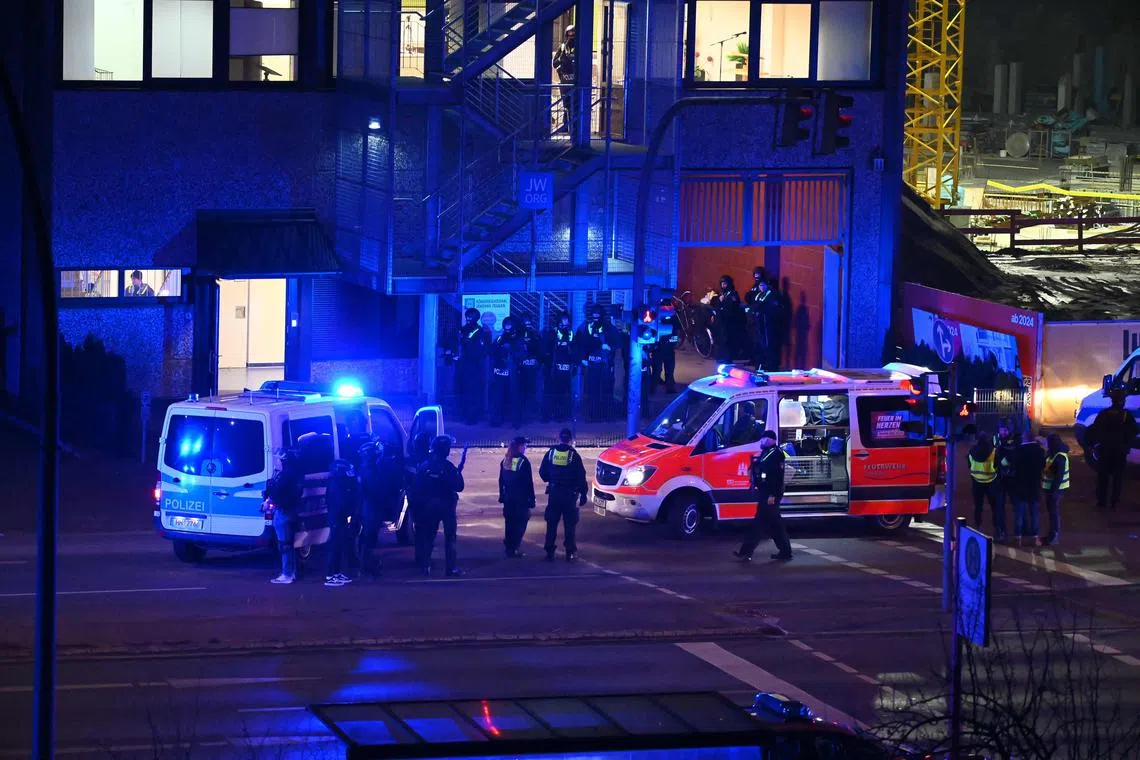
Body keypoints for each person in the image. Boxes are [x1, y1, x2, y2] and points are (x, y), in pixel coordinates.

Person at [734, 430, 792, 561]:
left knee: (759, 524)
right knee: (775, 525)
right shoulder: (767, 452)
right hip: (766, 492)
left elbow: (777, 477)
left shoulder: (776, 454)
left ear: (772, 440)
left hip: (770, 494)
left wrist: (772, 495)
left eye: (765, 438)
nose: (762, 440)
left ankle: (746, 552)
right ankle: (785, 552)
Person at [415, 435, 467, 576]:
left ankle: (426, 566)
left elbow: (418, 485)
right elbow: (459, 486)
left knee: (429, 536)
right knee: (450, 537)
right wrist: (457, 473)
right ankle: (451, 568)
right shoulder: (448, 467)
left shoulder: (425, 465)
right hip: (446, 506)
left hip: (429, 505)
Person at [539, 427, 589, 561]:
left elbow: (542, 472)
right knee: (569, 525)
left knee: (551, 523)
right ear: (570, 440)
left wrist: (552, 479)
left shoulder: (551, 453)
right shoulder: (573, 455)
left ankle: (549, 551)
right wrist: (584, 494)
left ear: (559, 438)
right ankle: (570, 552)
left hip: (554, 493)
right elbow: (581, 476)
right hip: (569, 495)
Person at [1086, 391, 1137, 510]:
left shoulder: (1103, 414)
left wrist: (1092, 444)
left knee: (1103, 477)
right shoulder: (1126, 415)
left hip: (1104, 450)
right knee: (1117, 478)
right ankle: (1114, 502)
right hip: (1119, 451)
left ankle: (1101, 501)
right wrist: (1125, 443)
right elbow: (1133, 431)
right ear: (1121, 401)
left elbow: (1094, 430)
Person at [265, 449, 304, 584]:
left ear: (283, 460)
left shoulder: (285, 475)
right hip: (292, 510)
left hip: (283, 511)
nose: (276, 461)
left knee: (284, 544)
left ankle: (287, 574)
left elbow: (276, 491)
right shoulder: (297, 473)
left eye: (278, 459)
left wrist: (269, 500)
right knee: (289, 543)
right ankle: (291, 572)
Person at [450, 308, 491, 425]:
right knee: (462, 389)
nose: (468, 318)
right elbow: (455, 343)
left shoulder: (480, 331)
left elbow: (482, 351)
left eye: (471, 316)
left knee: (473, 391)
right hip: (462, 365)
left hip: (474, 366)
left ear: (476, 317)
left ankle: (473, 416)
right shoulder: (462, 329)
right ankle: (463, 414)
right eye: (467, 316)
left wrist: (468, 346)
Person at [577, 306, 618, 422]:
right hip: (592, 364)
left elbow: (618, 342)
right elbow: (580, 343)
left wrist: (609, 347)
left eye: (597, 314)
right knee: (592, 390)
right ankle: (593, 416)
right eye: (593, 314)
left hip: (605, 364)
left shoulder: (609, 327)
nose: (595, 316)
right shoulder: (586, 327)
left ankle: (608, 416)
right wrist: (583, 358)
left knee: (607, 390)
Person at [499, 436, 536, 557]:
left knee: (509, 523)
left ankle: (509, 547)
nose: (526, 448)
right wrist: (531, 499)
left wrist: (502, 495)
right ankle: (515, 547)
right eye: (525, 445)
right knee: (521, 523)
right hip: (520, 498)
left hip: (508, 497)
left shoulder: (505, 460)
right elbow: (528, 482)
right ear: (520, 446)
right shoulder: (523, 461)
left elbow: (501, 480)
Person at [1009, 428, 1046, 547]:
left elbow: (1012, 467)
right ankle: (1035, 538)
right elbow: (1043, 466)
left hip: (1020, 486)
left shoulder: (1017, 451)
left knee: (1019, 513)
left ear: (1024, 439)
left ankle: (1018, 538)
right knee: (1034, 513)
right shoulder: (1040, 451)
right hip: (1034, 486)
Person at [967, 431, 1006, 541]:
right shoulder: (993, 452)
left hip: (976, 482)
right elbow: (1000, 465)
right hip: (991, 482)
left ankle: (978, 527)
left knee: (978, 506)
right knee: (995, 507)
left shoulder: (972, 451)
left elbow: (969, 465)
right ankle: (998, 531)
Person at [489, 316, 522, 428]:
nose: (507, 327)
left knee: (514, 397)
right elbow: (492, 352)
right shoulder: (500, 338)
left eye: (509, 325)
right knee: (498, 396)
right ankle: (497, 419)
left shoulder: (518, 339)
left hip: (513, 373)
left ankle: (516, 421)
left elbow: (522, 355)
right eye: (505, 325)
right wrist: (499, 353)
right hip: (500, 372)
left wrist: (510, 350)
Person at [745, 269, 781, 371]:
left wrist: (757, 310)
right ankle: (760, 365)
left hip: (767, 325)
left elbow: (769, 308)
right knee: (758, 345)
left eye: (763, 285)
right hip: (758, 324)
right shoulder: (759, 294)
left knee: (768, 345)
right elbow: (754, 304)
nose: (761, 287)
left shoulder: (771, 295)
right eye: (760, 286)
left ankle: (771, 366)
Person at [544, 311, 577, 422]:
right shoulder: (552, 333)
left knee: (565, 393)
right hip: (554, 369)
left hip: (566, 369)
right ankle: (551, 414)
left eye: (567, 320)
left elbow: (574, 350)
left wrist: (574, 366)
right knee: (553, 392)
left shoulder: (571, 334)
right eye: (563, 320)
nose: (565, 323)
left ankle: (563, 414)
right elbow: (547, 350)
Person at [1041, 433, 1070, 546]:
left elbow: (1058, 476)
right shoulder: (1054, 453)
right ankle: (1052, 535)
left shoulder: (1059, 457)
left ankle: (1054, 537)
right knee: (1052, 512)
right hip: (1052, 489)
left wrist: (1054, 491)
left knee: (1054, 513)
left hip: (1056, 490)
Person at [651, 297, 679, 394]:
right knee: (659, 370)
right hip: (661, 348)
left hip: (665, 348)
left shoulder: (671, 315)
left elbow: (676, 331)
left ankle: (665, 388)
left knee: (666, 369)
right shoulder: (659, 315)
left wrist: (673, 342)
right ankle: (653, 388)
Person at [714, 275, 745, 363]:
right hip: (721, 320)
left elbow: (733, 306)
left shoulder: (733, 294)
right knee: (721, 339)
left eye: (725, 283)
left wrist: (723, 301)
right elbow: (718, 305)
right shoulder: (722, 293)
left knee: (728, 339)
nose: (723, 285)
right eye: (722, 283)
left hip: (729, 321)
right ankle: (722, 356)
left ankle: (728, 358)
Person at [518, 316, 543, 423]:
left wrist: (537, 361)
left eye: (529, 323)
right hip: (521, 368)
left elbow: (539, 350)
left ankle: (531, 412)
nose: (528, 325)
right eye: (526, 323)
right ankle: (522, 412)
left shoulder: (535, 335)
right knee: (522, 389)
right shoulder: (518, 334)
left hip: (533, 368)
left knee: (532, 389)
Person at [552, 25, 577, 133]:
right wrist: (561, 59)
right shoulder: (562, 47)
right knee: (566, 105)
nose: (571, 37)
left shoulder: (580, 47)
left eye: (573, 35)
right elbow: (554, 63)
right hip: (565, 82)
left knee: (575, 105)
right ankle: (566, 126)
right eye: (569, 35)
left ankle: (575, 127)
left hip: (575, 82)